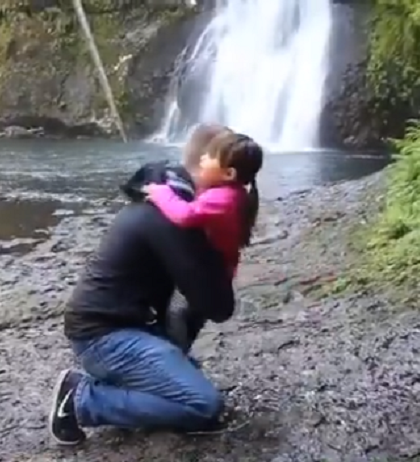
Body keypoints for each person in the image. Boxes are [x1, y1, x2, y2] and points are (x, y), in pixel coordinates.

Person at [48, 152, 236, 445]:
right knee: (202, 404)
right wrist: (222, 252)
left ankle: (123, 384)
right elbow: (218, 306)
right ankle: (81, 399)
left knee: (186, 374)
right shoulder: (164, 222)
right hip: (105, 336)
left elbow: (201, 302)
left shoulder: (145, 212)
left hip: (119, 328)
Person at [144, 131, 263, 279]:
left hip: (214, 268)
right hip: (218, 262)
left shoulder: (224, 199)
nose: (203, 157)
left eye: (211, 156)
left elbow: (185, 215)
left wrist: (161, 193)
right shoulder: (231, 192)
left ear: (228, 174)